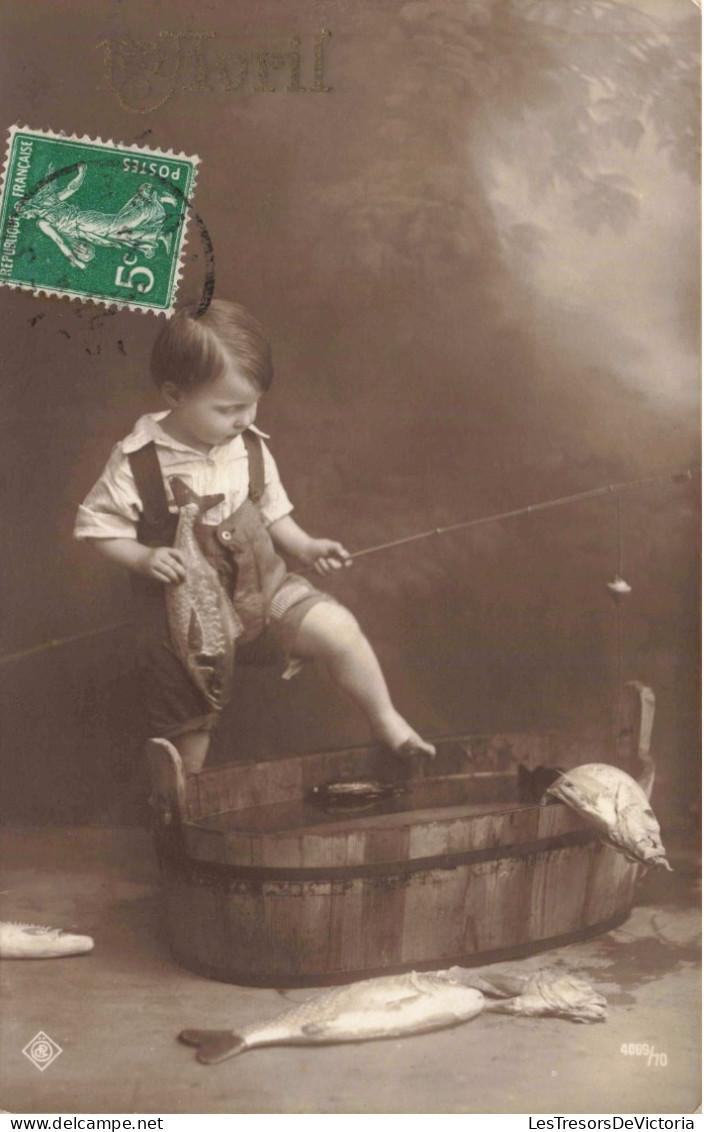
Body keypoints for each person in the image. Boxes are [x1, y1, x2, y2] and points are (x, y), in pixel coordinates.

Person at [74, 300, 435, 774]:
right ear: (174, 395)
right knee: (191, 727)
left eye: (253, 403)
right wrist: (142, 558)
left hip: (261, 592)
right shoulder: (140, 460)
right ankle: (181, 805)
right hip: (184, 623)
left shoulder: (249, 448)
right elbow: (97, 527)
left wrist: (306, 546)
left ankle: (387, 721)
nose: (245, 418)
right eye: (229, 408)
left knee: (339, 629)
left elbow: (272, 512)